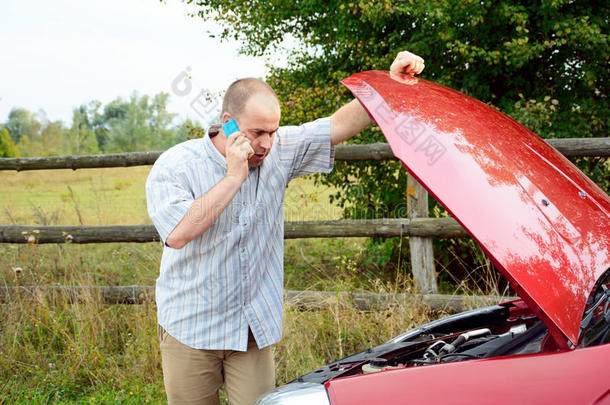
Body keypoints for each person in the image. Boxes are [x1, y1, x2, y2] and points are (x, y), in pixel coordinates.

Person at [145, 50, 425, 405]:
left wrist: (388, 83)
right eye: (257, 132)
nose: (265, 143)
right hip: (191, 327)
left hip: (251, 330)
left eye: (273, 132)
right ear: (228, 122)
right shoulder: (176, 166)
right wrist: (234, 177)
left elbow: (337, 125)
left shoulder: (278, 150)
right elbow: (178, 233)